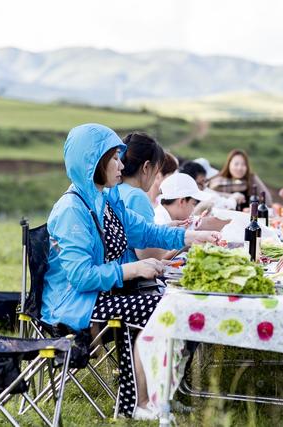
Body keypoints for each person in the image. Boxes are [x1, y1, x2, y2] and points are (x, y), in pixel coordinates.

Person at [41, 123, 219, 419]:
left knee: (164, 300)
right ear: (94, 163)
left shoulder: (105, 199)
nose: (122, 165)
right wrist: (132, 269)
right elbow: (80, 277)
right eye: (114, 158)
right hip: (73, 304)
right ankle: (138, 402)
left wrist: (190, 237)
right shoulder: (72, 209)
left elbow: (144, 232)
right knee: (157, 305)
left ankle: (146, 397)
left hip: (100, 295)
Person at [208, 149, 273, 208]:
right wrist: (231, 196)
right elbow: (209, 195)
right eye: (236, 164)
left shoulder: (251, 178)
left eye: (243, 164)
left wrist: (255, 209)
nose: (240, 168)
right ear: (229, 164)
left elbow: (267, 200)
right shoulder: (218, 181)